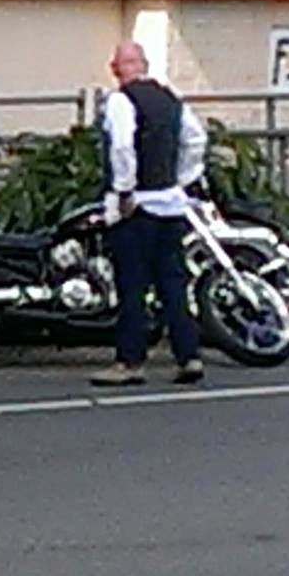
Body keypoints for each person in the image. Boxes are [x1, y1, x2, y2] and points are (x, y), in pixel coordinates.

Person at [93, 41, 210, 388]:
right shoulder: (171, 99)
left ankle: (130, 361)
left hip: (138, 204)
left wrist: (125, 188)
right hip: (170, 202)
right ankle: (189, 355)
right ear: (144, 64)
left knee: (132, 283)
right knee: (172, 282)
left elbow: (122, 146)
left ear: (117, 68)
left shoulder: (121, 100)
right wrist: (182, 178)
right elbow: (196, 139)